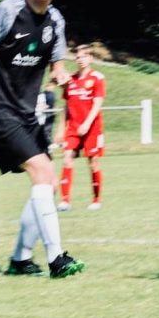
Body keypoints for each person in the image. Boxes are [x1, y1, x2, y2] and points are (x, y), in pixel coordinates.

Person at [0, 0, 85, 278]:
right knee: (44, 173)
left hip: (27, 114)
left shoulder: (56, 21)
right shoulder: (7, 12)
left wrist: (62, 76)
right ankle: (57, 258)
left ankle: (20, 259)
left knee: (46, 183)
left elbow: (56, 66)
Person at [57, 44, 106, 212]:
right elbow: (66, 106)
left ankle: (96, 199)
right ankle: (65, 201)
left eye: (84, 56)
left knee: (93, 162)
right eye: (78, 56)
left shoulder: (97, 78)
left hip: (92, 128)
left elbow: (97, 104)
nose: (81, 59)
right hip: (73, 128)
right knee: (67, 158)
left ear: (90, 58)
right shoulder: (71, 80)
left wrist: (87, 123)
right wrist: (60, 128)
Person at [36, 82, 57, 147]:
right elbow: (43, 104)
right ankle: (47, 144)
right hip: (46, 114)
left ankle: (48, 143)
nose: (52, 88)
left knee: (48, 130)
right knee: (46, 130)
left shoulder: (52, 94)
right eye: (51, 86)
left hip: (50, 113)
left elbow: (53, 104)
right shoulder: (44, 94)